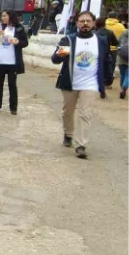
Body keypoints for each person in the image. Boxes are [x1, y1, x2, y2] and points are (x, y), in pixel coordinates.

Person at [52, 11, 110, 159]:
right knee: (67, 112)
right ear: (77, 23)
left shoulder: (101, 41)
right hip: (70, 82)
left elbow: (106, 60)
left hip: (90, 84)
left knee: (85, 114)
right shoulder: (69, 40)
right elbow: (55, 60)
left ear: (94, 23)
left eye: (88, 21)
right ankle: (68, 134)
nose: (85, 23)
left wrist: (107, 79)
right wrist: (59, 55)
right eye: (82, 21)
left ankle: (81, 145)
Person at [0, 11, 29, 115]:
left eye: (4, 16)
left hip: (12, 61)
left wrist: (17, 42)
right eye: (2, 16)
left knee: (12, 85)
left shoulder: (19, 28)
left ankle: (13, 108)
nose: (2, 18)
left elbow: (25, 43)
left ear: (10, 16)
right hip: (0, 60)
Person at [105, 11, 125, 88]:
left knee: (102, 64)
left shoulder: (104, 24)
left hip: (104, 48)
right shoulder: (121, 26)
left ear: (108, 16)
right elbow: (124, 37)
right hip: (115, 49)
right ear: (116, 17)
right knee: (112, 65)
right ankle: (108, 83)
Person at [118, 28, 129, 99]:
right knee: (128, 75)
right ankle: (124, 87)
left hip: (122, 57)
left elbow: (117, 41)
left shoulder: (123, 33)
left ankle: (122, 88)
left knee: (122, 74)